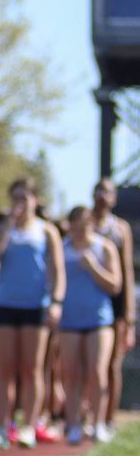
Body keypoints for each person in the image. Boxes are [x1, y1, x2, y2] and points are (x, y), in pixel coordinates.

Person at [0, 178, 65, 449]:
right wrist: (5, 229)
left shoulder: (47, 231)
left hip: (35, 307)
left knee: (32, 369)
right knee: (4, 369)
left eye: (25, 197)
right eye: (15, 197)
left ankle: (29, 426)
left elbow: (58, 271)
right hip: (6, 304)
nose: (20, 202)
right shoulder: (2, 229)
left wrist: (56, 301)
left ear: (35, 200)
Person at [57, 205, 121, 444]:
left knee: (97, 371)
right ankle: (73, 424)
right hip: (69, 320)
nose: (78, 232)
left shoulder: (104, 247)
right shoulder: (63, 249)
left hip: (99, 319)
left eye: (83, 227)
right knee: (71, 373)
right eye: (74, 228)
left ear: (91, 225)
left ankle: (98, 423)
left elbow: (115, 285)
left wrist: (94, 267)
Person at [90, 177, 135, 438]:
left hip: (114, 302)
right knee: (87, 362)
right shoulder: (83, 225)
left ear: (114, 198)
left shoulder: (120, 229)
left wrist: (128, 315)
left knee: (111, 363)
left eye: (107, 192)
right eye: (98, 191)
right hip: (86, 300)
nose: (102, 197)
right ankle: (86, 415)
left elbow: (127, 271)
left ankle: (108, 418)